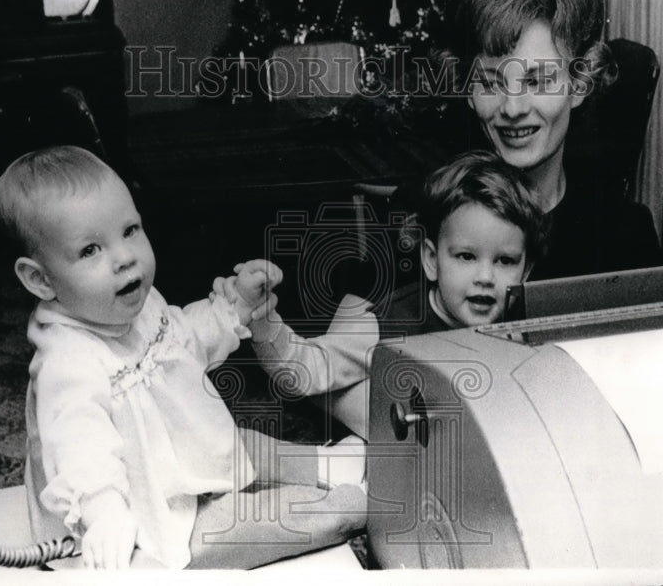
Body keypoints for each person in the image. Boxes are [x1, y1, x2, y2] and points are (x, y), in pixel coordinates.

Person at [0, 145, 365, 570]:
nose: (124, 256)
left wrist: (234, 307)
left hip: (171, 454)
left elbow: (182, 338)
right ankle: (349, 506)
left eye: (130, 230)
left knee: (239, 444)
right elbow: (80, 445)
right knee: (238, 528)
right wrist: (105, 513)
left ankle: (330, 463)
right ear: (40, 279)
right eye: (91, 250)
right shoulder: (67, 364)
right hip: (134, 508)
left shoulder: (135, 304)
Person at [217, 150, 547, 437]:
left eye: (504, 261)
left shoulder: (524, 324)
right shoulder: (387, 324)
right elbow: (306, 370)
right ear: (431, 260)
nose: (485, 277)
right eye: (466, 257)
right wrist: (263, 319)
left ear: (526, 271)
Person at [444, 0, 661, 280]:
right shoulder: (430, 220)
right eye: (490, 81)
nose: (513, 109)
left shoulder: (625, 236)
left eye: (538, 80)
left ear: (579, 83)